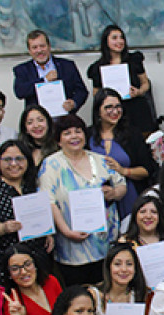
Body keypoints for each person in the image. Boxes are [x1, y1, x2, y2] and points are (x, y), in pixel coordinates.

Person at [38, 114, 126, 286]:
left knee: (106, 291)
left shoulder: (101, 160)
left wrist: (114, 193)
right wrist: (66, 232)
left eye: (78, 131)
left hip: (105, 243)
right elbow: (48, 202)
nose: (74, 136)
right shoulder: (51, 165)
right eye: (67, 133)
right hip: (72, 246)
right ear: (58, 140)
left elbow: (122, 186)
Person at [0, 140, 53, 287]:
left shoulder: (34, 185)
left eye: (19, 159)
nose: (14, 164)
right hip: (6, 263)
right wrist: (3, 228)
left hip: (38, 259)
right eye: (7, 159)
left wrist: (49, 233)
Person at [87, 88, 157, 220]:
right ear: (98, 111)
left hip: (130, 196)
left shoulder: (133, 134)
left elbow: (147, 169)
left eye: (118, 107)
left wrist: (123, 170)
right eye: (109, 107)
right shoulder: (87, 135)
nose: (115, 111)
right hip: (97, 199)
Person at [86, 25, 154, 133]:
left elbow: (145, 83)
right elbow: (96, 93)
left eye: (121, 37)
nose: (119, 41)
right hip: (112, 112)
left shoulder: (134, 60)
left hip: (136, 107)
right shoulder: (98, 67)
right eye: (114, 38)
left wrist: (139, 91)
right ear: (106, 41)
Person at [12, 29, 88, 113]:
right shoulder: (22, 69)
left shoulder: (67, 65)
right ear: (29, 51)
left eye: (42, 46)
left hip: (65, 118)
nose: (39, 50)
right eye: (34, 47)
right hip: (37, 121)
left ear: (49, 46)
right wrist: (45, 80)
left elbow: (82, 91)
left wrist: (74, 103)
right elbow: (20, 92)